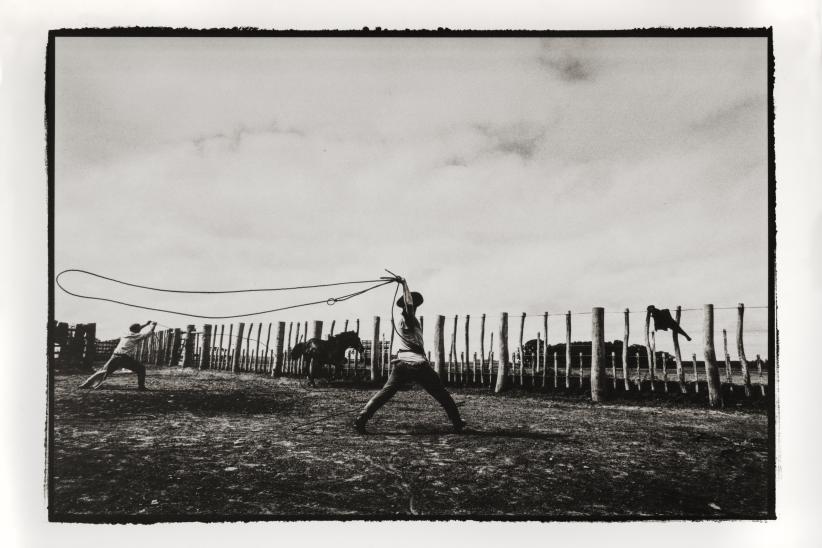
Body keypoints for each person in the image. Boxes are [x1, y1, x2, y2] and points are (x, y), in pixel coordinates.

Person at [354, 279, 466, 434]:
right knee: (441, 393)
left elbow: (409, 307)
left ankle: (362, 418)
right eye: (413, 305)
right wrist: (404, 285)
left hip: (401, 364)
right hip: (417, 364)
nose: (415, 307)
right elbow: (409, 306)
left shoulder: (408, 321)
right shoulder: (409, 319)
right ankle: (457, 422)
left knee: (385, 392)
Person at [79, 320, 157, 390]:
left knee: (103, 371)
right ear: (137, 330)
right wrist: (153, 325)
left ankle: (85, 384)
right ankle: (141, 387)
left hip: (115, 355)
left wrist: (146, 324)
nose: (140, 328)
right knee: (141, 368)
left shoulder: (126, 333)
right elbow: (148, 334)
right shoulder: (137, 336)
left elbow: (137, 329)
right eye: (139, 328)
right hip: (124, 357)